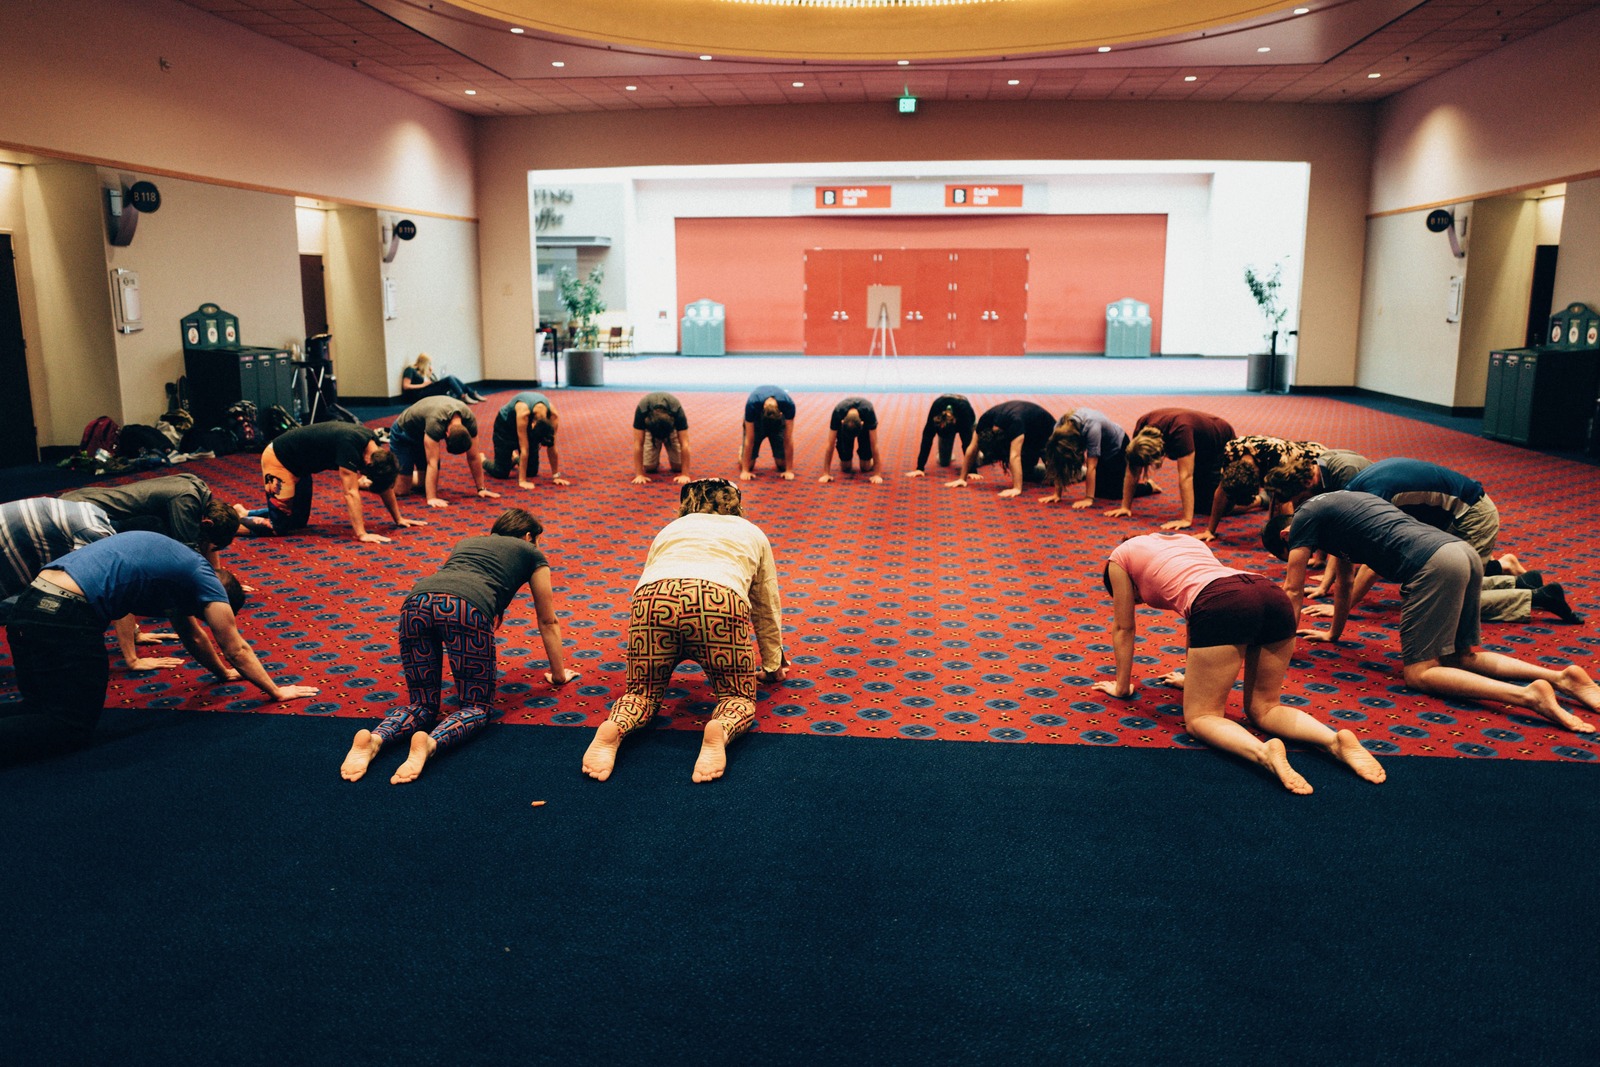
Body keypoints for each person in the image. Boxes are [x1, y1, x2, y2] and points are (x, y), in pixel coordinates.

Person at [1268, 491, 1600, 733]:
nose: (1305, 554)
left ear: (1287, 535)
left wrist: (1281, 647)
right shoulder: (1336, 509)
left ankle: (1528, 696)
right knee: (1460, 657)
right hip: (1460, 553)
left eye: (1292, 551)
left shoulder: (1305, 519)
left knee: (1419, 673)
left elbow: (1293, 589)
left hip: (1432, 564)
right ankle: (1562, 677)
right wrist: (1333, 633)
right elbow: (1345, 579)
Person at [1093, 533, 1386, 793]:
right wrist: (1191, 677)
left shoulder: (1118, 560)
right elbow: (1196, 613)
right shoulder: (1183, 540)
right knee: (1265, 708)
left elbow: (1124, 628)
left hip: (1223, 604)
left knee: (1201, 718)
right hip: (1269, 593)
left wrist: (1121, 686)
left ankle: (1263, 753)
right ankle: (1335, 740)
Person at [1, 531, 318, 765]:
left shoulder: (178, 572)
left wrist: (222, 673)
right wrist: (276, 691)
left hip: (29, 605)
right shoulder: (206, 581)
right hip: (65, 615)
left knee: (36, 705)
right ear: (218, 599)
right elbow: (236, 647)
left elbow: (192, 637)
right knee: (70, 726)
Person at [341, 508, 578, 785]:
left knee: (422, 705)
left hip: (416, 604)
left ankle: (374, 738)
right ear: (529, 536)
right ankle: (431, 743)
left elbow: (466, 576)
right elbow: (547, 620)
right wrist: (559, 675)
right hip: (465, 608)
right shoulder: (531, 552)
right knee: (476, 707)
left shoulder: (467, 543)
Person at [582, 478, 786, 784]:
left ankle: (618, 723)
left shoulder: (670, 529)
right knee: (738, 697)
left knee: (642, 693)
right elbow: (765, 604)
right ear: (735, 503)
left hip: (653, 601)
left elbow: (651, 573)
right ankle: (721, 726)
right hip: (717, 602)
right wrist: (772, 664)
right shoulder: (751, 532)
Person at [1269, 456, 1576, 624]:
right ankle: (1519, 580)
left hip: (1472, 515)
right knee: (1435, 582)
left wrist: (1343, 608)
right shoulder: (1351, 495)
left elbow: (1373, 564)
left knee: (1447, 597)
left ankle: (1537, 598)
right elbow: (1344, 551)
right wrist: (1328, 588)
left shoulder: (1368, 497)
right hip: (1455, 515)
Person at [236, 421, 421, 543]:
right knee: (279, 527)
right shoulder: (350, 446)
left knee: (299, 521)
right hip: (279, 460)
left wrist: (398, 518)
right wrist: (362, 533)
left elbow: (384, 483)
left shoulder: (375, 450)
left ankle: (244, 512)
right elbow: (351, 492)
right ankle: (232, 524)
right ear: (367, 464)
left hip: (300, 465)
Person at [63, 472, 239, 569]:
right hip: (84, 513)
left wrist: (219, 576)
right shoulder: (186, 501)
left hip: (83, 500)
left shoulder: (199, 492)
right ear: (207, 523)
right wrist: (217, 586)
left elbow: (204, 544)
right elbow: (188, 556)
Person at [1105, 407, 1235, 530]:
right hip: (1197, 442)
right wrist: (1125, 506)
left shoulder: (1180, 432)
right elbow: (1132, 469)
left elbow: (1186, 476)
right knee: (1198, 504)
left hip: (1219, 442)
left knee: (1214, 506)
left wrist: (1186, 519)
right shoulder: (1142, 426)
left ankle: (1254, 500)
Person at [1197, 435, 1323, 542]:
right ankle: (1264, 500)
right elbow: (1221, 489)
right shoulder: (1232, 450)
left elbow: (1285, 503)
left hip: (1316, 461)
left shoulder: (1276, 459)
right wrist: (1210, 531)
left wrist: (1282, 541)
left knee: (1295, 502)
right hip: (1274, 464)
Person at [390, 394, 500, 508]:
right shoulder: (436, 424)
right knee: (401, 490)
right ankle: (385, 476)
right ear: (446, 433)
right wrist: (432, 497)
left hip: (423, 432)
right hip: (404, 433)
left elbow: (474, 457)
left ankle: (403, 475)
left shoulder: (469, 421)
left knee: (423, 484)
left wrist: (481, 488)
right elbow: (432, 463)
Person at [1039, 407, 1155, 508]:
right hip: (1101, 449)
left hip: (1117, 449)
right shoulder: (1059, 427)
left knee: (1115, 493)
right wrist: (1057, 494)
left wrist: (1088, 498)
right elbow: (1058, 460)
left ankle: (1149, 486)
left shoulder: (1092, 427)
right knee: (1099, 492)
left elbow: (1092, 466)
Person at [946, 400, 1056, 498]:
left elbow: (1015, 456)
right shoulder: (986, 420)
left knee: (1055, 479)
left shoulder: (1015, 424)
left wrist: (1017, 488)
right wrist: (962, 478)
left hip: (1047, 433)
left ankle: (1062, 468)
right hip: (1028, 430)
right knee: (1025, 474)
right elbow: (972, 448)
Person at [481, 391, 567, 489]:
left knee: (531, 471)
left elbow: (552, 446)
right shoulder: (524, 413)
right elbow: (524, 449)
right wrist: (522, 480)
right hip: (505, 429)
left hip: (530, 428)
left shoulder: (553, 415)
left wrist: (555, 476)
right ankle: (482, 459)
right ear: (533, 425)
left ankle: (514, 458)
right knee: (501, 472)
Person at [905, 394, 975, 477]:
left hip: (969, 421)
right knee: (944, 462)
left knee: (975, 454)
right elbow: (926, 440)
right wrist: (920, 468)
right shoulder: (935, 411)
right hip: (946, 415)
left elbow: (966, 443)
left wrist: (972, 471)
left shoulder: (964, 415)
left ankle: (981, 451)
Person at [632, 391, 694, 485]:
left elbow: (685, 444)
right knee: (649, 467)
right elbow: (638, 444)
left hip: (670, 429)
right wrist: (639, 474)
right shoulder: (642, 410)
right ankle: (654, 460)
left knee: (678, 467)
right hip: (652, 429)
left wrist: (685, 474)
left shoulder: (677, 411)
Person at [818, 396, 883, 484]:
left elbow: (874, 444)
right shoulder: (838, 412)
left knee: (865, 468)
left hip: (863, 428)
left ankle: (869, 461)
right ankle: (845, 459)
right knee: (846, 468)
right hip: (846, 429)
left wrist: (877, 474)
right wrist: (826, 473)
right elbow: (830, 444)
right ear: (842, 422)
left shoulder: (868, 411)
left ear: (862, 423)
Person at [740, 385, 796, 481]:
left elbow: (788, 439)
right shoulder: (752, 404)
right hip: (757, 422)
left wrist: (789, 470)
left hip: (777, 424)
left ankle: (783, 464)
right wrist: (745, 471)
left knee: (782, 465)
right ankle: (741, 452)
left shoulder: (788, 404)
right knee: (748, 465)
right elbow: (749, 439)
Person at [400, 352, 485, 404]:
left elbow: (430, 382)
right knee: (449, 378)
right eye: (428, 364)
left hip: (426, 390)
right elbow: (406, 386)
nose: (429, 366)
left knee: (452, 378)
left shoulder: (421, 372)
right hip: (419, 394)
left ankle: (472, 393)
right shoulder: (410, 369)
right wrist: (423, 385)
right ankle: (462, 396)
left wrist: (430, 373)